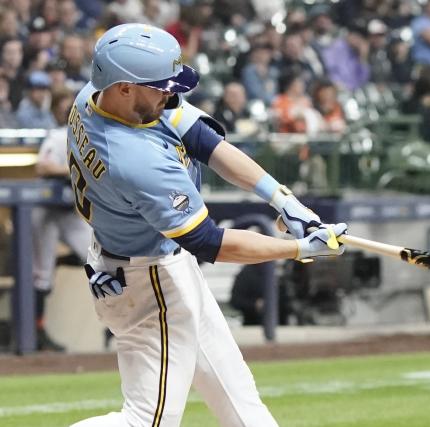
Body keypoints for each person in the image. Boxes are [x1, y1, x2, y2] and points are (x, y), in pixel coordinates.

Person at [68, 24, 347, 427]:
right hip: (148, 282)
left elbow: (203, 141)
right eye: (157, 85)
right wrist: (301, 250)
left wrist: (285, 201)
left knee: (240, 402)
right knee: (147, 420)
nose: (168, 92)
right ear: (124, 87)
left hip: (144, 262)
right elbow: (210, 242)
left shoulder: (92, 97)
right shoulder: (134, 160)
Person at [32, 89, 93, 352]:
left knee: (93, 255)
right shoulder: (56, 136)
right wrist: (72, 170)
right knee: (41, 276)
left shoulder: (88, 137)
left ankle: (58, 261)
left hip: (69, 211)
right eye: (65, 108)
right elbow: (42, 167)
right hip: (44, 210)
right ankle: (36, 332)